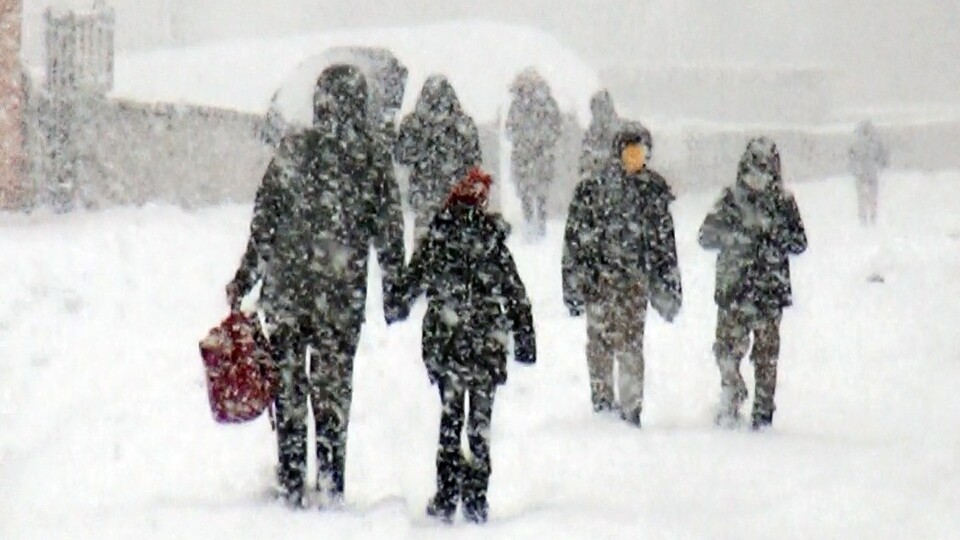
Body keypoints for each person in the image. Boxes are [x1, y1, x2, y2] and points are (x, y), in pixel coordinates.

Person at [226, 64, 406, 506]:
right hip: (340, 297)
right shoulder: (371, 160)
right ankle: (330, 479)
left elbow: (264, 222)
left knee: (288, 388)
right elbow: (389, 231)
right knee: (332, 390)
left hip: (287, 294)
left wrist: (246, 277)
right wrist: (394, 288)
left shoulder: (294, 150)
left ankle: (291, 477)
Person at [394, 167, 536, 523]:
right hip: (486, 346)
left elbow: (411, 284)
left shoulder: (438, 239)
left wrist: (395, 304)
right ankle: (475, 498)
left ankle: (446, 495)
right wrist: (524, 340)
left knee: (450, 419)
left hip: (447, 345)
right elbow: (516, 294)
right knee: (480, 424)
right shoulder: (492, 242)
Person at [562, 121, 682, 427]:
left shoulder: (652, 192)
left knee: (630, 346)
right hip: (599, 282)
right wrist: (574, 283)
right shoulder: (593, 189)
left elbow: (664, 246)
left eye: (640, 154)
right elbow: (575, 241)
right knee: (599, 344)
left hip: (633, 285)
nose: (635, 161)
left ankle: (631, 410)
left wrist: (667, 285)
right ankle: (602, 405)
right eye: (630, 154)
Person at [698, 137, 807, 430]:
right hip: (734, 291)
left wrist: (773, 238)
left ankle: (763, 413)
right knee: (726, 352)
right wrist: (737, 236)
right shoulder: (730, 199)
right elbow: (706, 236)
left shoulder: (783, 203)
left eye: (765, 170)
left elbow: (799, 242)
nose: (759, 177)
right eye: (754, 170)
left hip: (769, 292)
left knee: (766, 358)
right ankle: (732, 396)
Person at [396, 75, 482, 243]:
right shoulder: (463, 125)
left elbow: (402, 155)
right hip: (454, 201)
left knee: (424, 253)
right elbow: (475, 161)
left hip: (427, 198)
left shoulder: (414, 124)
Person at [506, 68, 562, 238]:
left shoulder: (544, 103)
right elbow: (510, 128)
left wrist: (536, 140)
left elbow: (555, 127)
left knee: (538, 191)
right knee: (528, 190)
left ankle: (538, 223)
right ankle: (530, 222)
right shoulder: (519, 105)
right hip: (528, 155)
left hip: (536, 155)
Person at [848, 120, 889, 226]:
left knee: (862, 198)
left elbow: (851, 158)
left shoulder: (855, 143)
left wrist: (854, 170)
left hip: (861, 173)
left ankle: (864, 219)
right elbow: (882, 157)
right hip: (870, 173)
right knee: (872, 197)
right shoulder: (875, 142)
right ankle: (871, 217)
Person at [578, 89, 620, 182]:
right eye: (597, 109)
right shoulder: (590, 134)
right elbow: (584, 159)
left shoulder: (620, 131)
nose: (600, 113)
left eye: (603, 108)